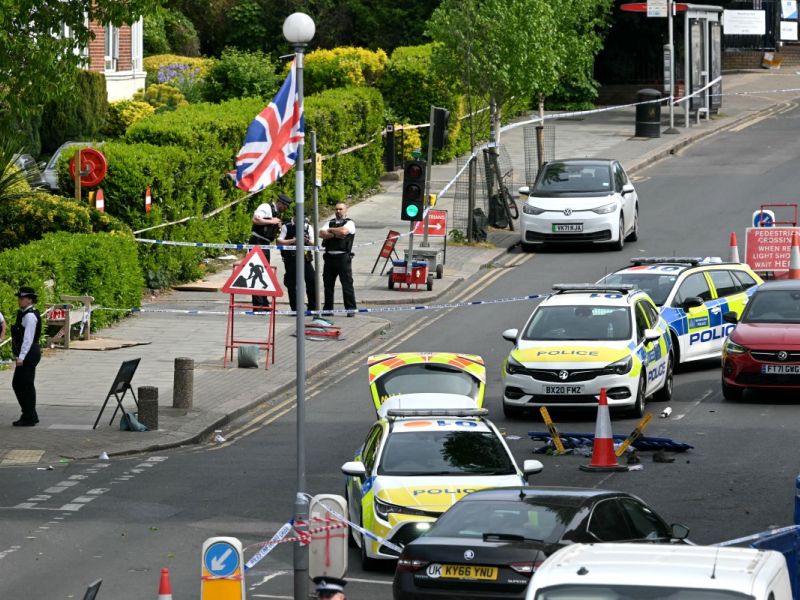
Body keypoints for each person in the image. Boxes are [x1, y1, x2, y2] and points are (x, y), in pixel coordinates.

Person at [249, 193, 291, 311]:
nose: (286, 209)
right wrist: (272, 221)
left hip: (265, 243)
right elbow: (256, 219)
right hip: (257, 241)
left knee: (263, 274)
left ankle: (264, 304)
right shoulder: (266, 207)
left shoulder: (276, 212)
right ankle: (258, 306)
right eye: (285, 206)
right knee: (258, 274)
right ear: (280, 203)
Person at [319, 202, 357, 317]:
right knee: (328, 284)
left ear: (346, 210)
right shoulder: (329, 222)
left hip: (343, 257)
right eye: (336, 209)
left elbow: (344, 232)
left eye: (341, 209)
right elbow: (321, 233)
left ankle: (350, 309)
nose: (338, 211)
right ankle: (328, 309)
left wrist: (330, 231)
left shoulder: (350, 223)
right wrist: (335, 234)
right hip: (329, 257)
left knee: (347, 284)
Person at [11, 287, 41, 427]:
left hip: (29, 353)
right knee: (23, 384)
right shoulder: (25, 313)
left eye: (22, 298)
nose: (19, 300)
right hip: (29, 353)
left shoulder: (29, 316)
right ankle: (30, 415)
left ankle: (29, 416)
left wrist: (21, 357)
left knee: (23, 385)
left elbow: (27, 339)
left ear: (29, 299)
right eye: (19, 298)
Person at [277, 213, 317, 314]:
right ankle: (295, 309)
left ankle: (312, 307)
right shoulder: (287, 226)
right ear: (294, 217)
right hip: (291, 259)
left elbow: (314, 242)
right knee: (292, 284)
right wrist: (293, 240)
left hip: (305, 258)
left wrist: (306, 240)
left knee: (312, 280)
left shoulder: (308, 227)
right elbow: (279, 241)